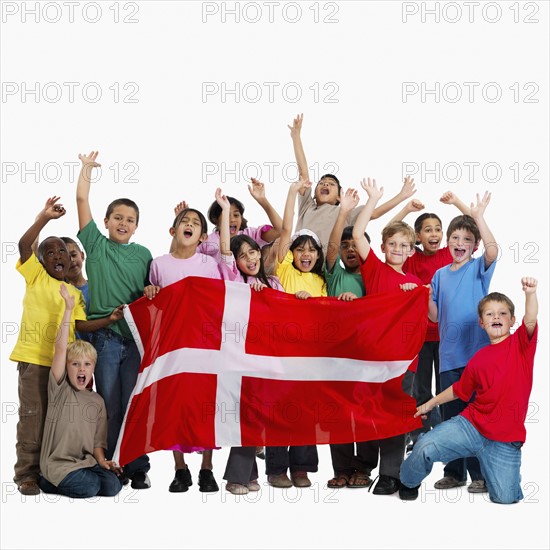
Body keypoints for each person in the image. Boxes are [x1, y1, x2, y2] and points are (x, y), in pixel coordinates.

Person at [10, 196, 122, 496]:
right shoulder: (35, 277)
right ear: (41, 260)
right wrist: (44, 218)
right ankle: (27, 474)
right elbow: (24, 245)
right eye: (51, 252)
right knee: (34, 417)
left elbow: (80, 326)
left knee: (61, 421)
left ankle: (62, 466)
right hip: (36, 359)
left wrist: (109, 319)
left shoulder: (74, 292)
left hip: (67, 365)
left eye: (64, 251)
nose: (59, 255)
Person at [400, 278, 538, 503]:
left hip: (503, 441)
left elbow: (531, 319)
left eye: (502, 314)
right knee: (424, 445)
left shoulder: (521, 345)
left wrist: (530, 294)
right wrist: (431, 403)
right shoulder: (478, 358)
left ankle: (501, 472)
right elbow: (458, 390)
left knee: (505, 498)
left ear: (513, 320)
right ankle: (407, 481)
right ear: (481, 323)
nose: (496, 317)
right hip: (471, 426)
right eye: (489, 314)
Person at [145, 188, 237, 494]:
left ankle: (207, 468)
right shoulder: (159, 264)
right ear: (173, 230)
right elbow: (154, 304)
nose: (190, 224)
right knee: (176, 403)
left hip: (204, 343)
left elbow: (222, 293)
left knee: (205, 403)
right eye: (184, 220)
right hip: (172, 344)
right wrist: (150, 293)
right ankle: (180, 468)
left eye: (196, 223)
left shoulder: (208, 265)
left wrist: (224, 213)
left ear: (201, 237)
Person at [75, 151, 153, 490]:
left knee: (134, 402)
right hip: (105, 338)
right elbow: (81, 197)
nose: (123, 222)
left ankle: (136, 464)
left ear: (136, 226)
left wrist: (151, 289)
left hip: (135, 339)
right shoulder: (96, 245)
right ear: (106, 222)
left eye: (130, 219)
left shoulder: (143, 254)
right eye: (117, 217)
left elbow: (153, 289)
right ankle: (107, 461)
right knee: (109, 403)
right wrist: (86, 170)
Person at [351, 178, 423, 496]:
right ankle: (363, 467)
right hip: (370, 356)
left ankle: (390, 474)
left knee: (395, 415)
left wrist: (416, 293)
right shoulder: (375, 270)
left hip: (402, 362)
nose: (397, 249)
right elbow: (356, 233)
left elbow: (427, 316)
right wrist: (375, 198)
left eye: (403, 246)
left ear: (411, 250)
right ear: (383, 248)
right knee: (368, 412)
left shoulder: (415, 282)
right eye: (392, 244)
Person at [427, 192, 498, 494]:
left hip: (476, 356)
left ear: (475, 245)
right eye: (454, 237)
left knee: (476, 417)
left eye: (466, 239)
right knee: (451, 418)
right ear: (448, 243)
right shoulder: (440, 275)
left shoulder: (478, 269)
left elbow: (494, 250)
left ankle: (480, 474)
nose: (459, 243)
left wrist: (477, 215)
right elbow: (434, 314)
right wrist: (422, 296)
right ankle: (454, 473)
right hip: (449, 358)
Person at [394, 191, 470, 448]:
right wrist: (405, 209)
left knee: (449, 388)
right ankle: (421, 434)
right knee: (421, 389)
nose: (434, 234)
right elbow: (391, 234)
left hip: (449, 337)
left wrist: (457, 202)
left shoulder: (450, 255)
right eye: (428, 230)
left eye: (438, 229)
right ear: (417, 237)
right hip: (419, 336)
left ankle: (450, 435)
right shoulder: (411, 259)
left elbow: (472, 228)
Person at [265, 178, 326, 490]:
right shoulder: (285, 269)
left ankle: (301, 467)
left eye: (311, 250)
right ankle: (276, 468)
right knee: (280, 411)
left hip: (310, 358)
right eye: (300, 249)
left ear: (317, 255)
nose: (305, 254)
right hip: (281, 353)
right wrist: (291, 193)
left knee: (305, 413)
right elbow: (286, 233)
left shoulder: (320, 282)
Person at [38, 284, 123, 498]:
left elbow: (97, 443)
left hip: (85, 463)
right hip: (58, 464)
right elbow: (59, 349)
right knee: (89, 487)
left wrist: (103, 462)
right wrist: (68, 309)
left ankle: (84, 478)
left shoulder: (97, 401)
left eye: (87, 364)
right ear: (67, 367)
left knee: (113, 486)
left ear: (93, 368)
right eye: (75, 364)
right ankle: (47, 479)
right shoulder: (60, 389)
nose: (81, 369)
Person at [288, 113, 417, 249]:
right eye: (321, 183)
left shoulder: (345, 212)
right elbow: (303, 173)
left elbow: (374, 213)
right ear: (313, 193)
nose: (325, 184)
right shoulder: (306, 206)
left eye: (331, 184)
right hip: (297, 261)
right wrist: (296, 137)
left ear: (339, 196)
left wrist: (401, 196)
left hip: (325, 265)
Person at [324, 187, 378, 489]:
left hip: (368, 355)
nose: (349, 249)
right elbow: (330, 248)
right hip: (335, 355)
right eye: (345, 246)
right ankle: (342, 467)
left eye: (354, 244)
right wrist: (343, 211)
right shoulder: (336, 275)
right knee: (337, 413)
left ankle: (364, 468)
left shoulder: (375, 276)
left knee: (366, 412)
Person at [222, 235, 284, 495]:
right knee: (247, 416)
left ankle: (248, 473)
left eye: (254, 252)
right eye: (243, 255)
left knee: (257, 416)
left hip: (269, 358)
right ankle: (238, 475)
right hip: (240, 358)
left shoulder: (274, 282)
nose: (251, 259)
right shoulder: (234, 281)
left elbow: (284, 313)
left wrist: (293, 297)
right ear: (235, 262)